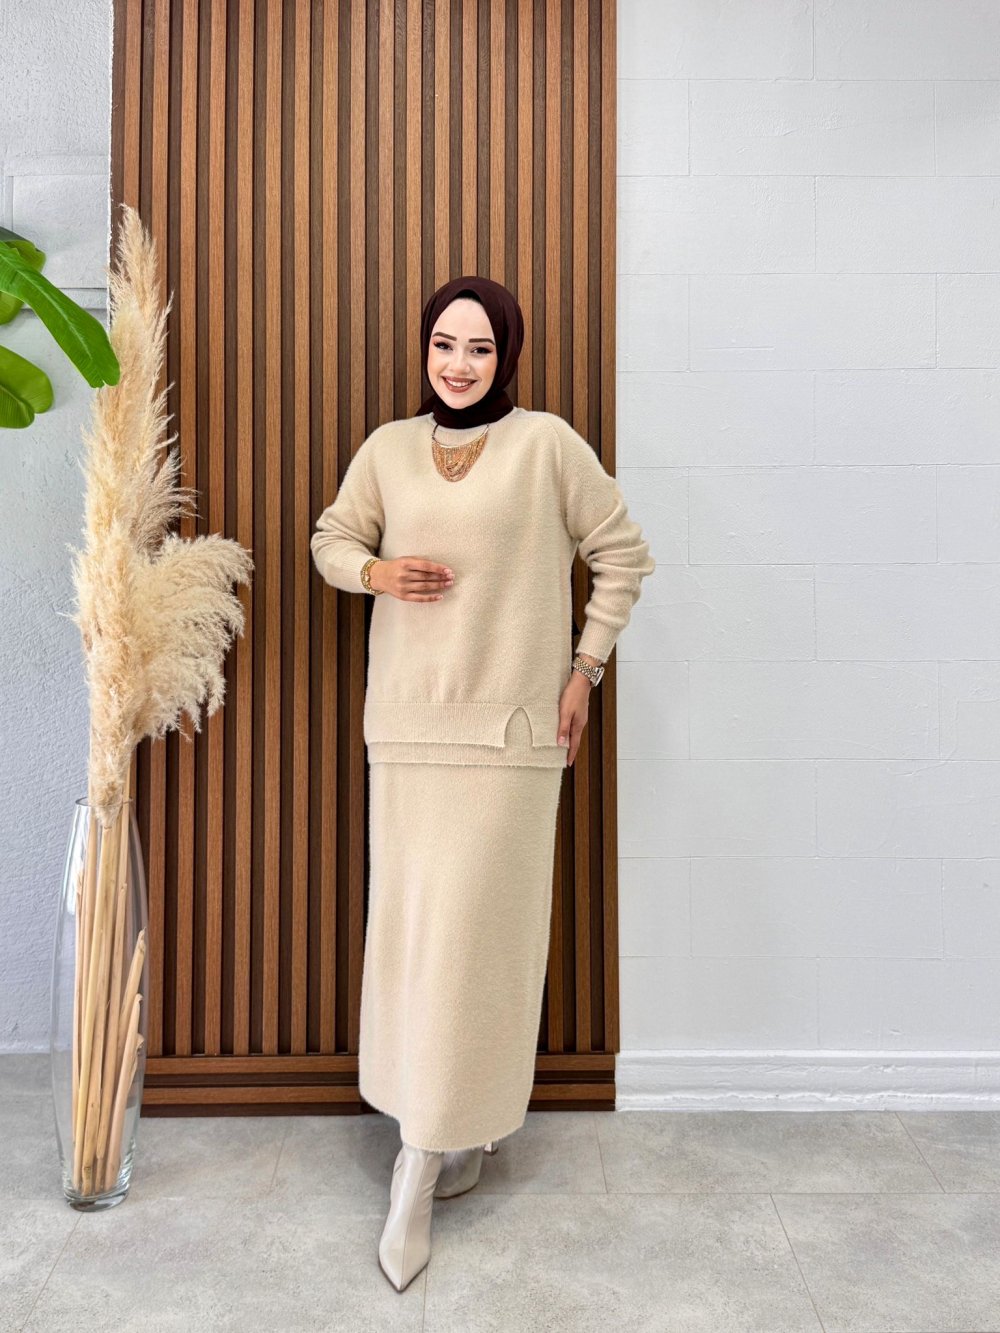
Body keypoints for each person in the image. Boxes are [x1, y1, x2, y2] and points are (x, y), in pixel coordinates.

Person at [309, 275, 655, 1292]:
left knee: (477, 946)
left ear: (506, 355)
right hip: (407, 734)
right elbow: (332, 538)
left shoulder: (547, 446)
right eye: (443, 344)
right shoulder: (386, 449)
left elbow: (623, 557)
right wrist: (375, 573)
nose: (458, 364)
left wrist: (584, 670)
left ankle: (419, 1166)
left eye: (479, 348)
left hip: (511, 740)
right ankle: (447, 1133)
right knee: (416, 940)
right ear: (424, 349)